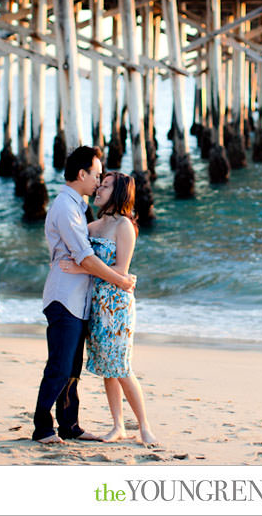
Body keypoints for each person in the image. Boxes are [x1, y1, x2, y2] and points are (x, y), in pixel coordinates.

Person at [31, 146, 137, 444]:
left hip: (79, 300)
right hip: (64, 298)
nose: (99, 180)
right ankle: (42, 428)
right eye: (96, 174)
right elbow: (85, 257)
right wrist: (121, 279)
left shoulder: (77, 206)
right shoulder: (66, 207)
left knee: (73, 368)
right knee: (60, 366)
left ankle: (69, 425)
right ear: (82, 174)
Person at [59, 171, 157, 445]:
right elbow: (76, 250)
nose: (98, 190)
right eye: (99, 185)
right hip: (95, 302)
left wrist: (80, 267)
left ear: (119, 193)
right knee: (107, 367)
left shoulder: (124, 226)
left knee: (122, 367)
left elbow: (121, 270)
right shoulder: (93, 226)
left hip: (116, 305)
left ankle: (144, 426)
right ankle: (118, 426)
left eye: (105, 187)